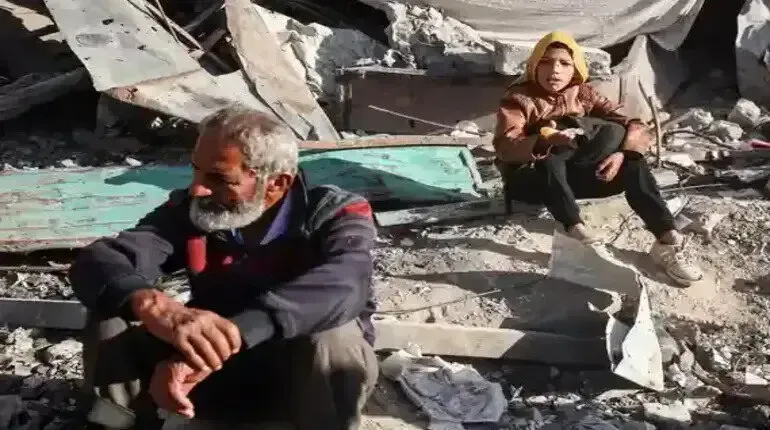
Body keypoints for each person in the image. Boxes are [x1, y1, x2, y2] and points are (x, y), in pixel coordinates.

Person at [69, 107, 379, 429]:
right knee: (116, 303)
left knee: (334, 336)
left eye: (218, 178)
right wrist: (154, 307)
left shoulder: (331, 213)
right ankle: (115, 424)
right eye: (196, 171)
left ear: (276, 183)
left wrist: (237, 333)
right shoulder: (193, 212)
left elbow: (348, 280)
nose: (197, 189)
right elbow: (102, 258)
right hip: (207, 374)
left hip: (298, 380)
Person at [492, 31, 703, 287]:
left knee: (627, 151)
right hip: (531, 182)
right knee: (550, 148)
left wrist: (621, 155)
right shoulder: (518, 99)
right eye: (546, 62)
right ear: (535, 65)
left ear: (576, 68)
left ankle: (667, 240)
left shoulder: (583, 94)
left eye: (564, 63)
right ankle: (576, 233)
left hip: (571, 182)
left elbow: (632, 123)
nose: (555, 70)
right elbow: (505, 148)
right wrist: (546, 140)